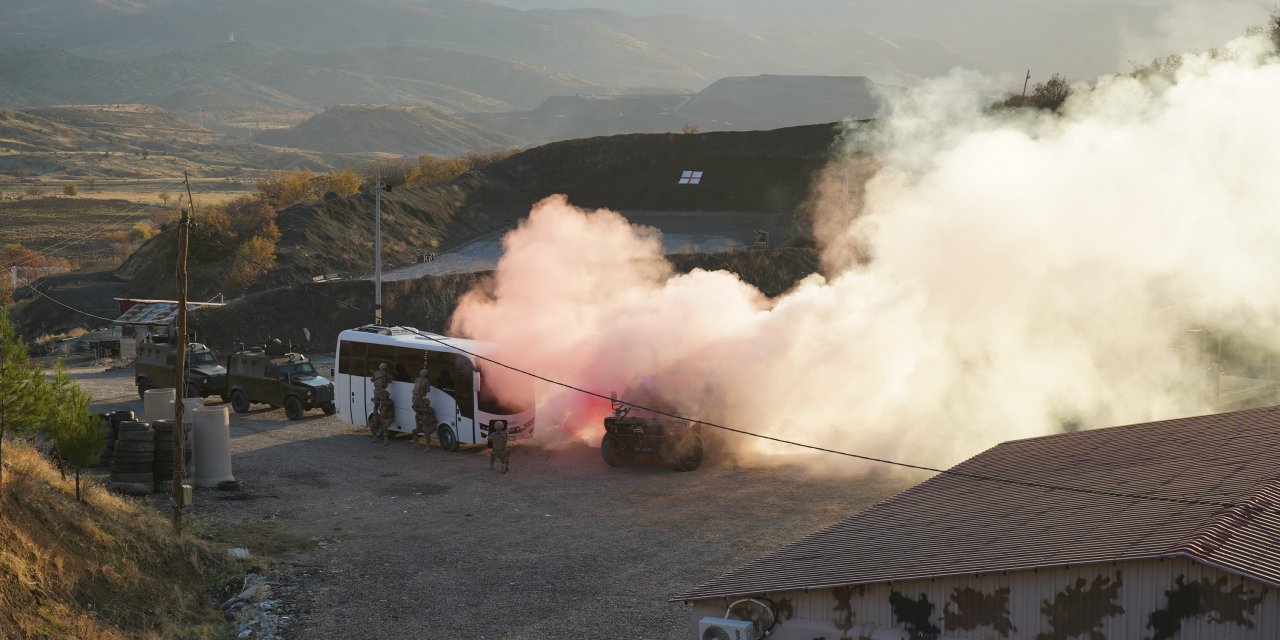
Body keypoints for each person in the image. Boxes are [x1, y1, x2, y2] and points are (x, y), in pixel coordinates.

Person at [411, 368, 437, 450]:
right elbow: (428, 390)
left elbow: (425, 410)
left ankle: (427, 446)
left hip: (429, 426)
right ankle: (416, 444)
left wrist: (417, 409)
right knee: (415, 429)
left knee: (425, 431)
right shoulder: (425, 381)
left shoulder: (417, 379)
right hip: (418, 401)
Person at [371, 362, 393, 442]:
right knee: (384, 407)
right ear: (385, 368)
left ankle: (375, 413)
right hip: (383, 393)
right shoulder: (386, 373)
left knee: (376, 405)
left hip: (375, 392)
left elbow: (372, 379)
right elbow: (390, 381)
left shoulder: (375, 373)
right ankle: (385, 438)